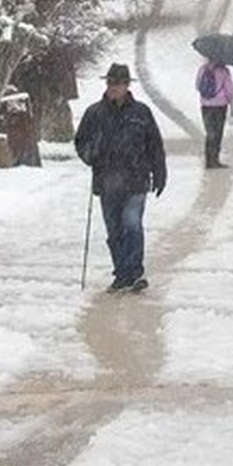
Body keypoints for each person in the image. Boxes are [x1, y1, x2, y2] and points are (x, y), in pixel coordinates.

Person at [73, 63, 167, 293]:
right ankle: (122, 273)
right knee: (114, 230)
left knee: (132, 224)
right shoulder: (94, 113)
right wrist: (91, 154)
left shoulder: (141, 113)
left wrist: (160, 172)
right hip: (107, 181)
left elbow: (154, 144)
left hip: (136, 179)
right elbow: (80, 142)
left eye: (118, 83)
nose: (114, 87)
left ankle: (135, 273)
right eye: (111, 83)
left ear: (127, 85)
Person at [196, 57, 233, 169]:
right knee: (218, 133)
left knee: (210, 133)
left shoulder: (202, 69)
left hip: (205, 106)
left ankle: (208, 160)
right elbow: (230, 90)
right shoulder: (223, 71)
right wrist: (232, 102)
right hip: (220, 106)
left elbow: (198, 86)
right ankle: (215, 160)